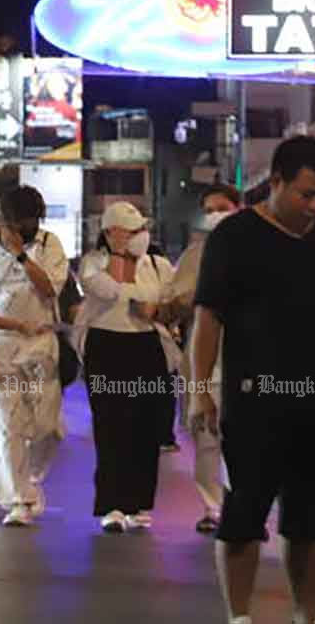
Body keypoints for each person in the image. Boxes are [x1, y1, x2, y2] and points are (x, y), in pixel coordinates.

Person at [190, 137, 315, 624]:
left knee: (309, 525)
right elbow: (208, 319)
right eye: (305, 194)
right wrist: (199, 393)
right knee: (242, 520)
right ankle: (240, 616)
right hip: (254, 405)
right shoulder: (235, 237)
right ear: (275, 183)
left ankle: (309, 616)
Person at [0, 185, 68, 527]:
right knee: (5, 425)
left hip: (40, 343)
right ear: (7, 219)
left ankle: (34, 477)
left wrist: (22, 256)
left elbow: (50, 289)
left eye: (34, 221)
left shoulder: (49, 244)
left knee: (47, 425)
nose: (30, 227)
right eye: (23, 221)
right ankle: (19, 500)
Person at [76, 201, 174, 533]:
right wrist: (119, 254)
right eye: (132, 232)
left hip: (146, 347)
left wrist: (157, 311)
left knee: (147, 428)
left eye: (142, 231)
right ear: (109, 233)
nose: (140, 237)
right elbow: (108, 289)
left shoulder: (158, 265)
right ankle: (113, 504)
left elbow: (172, 303)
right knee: (110, 426)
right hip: (107, 347)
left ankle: (139, 502)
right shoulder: (93, 263)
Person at [171, 183, 242, 534]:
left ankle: (239, 502)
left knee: (242, 439)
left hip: (245, 360)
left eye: (223, 207)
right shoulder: (193, 256)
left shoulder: (255, 252)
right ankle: (213, 507)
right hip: (204, 360)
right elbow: (176, 301)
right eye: (210, 209)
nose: (216, 215)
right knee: (206, 439)